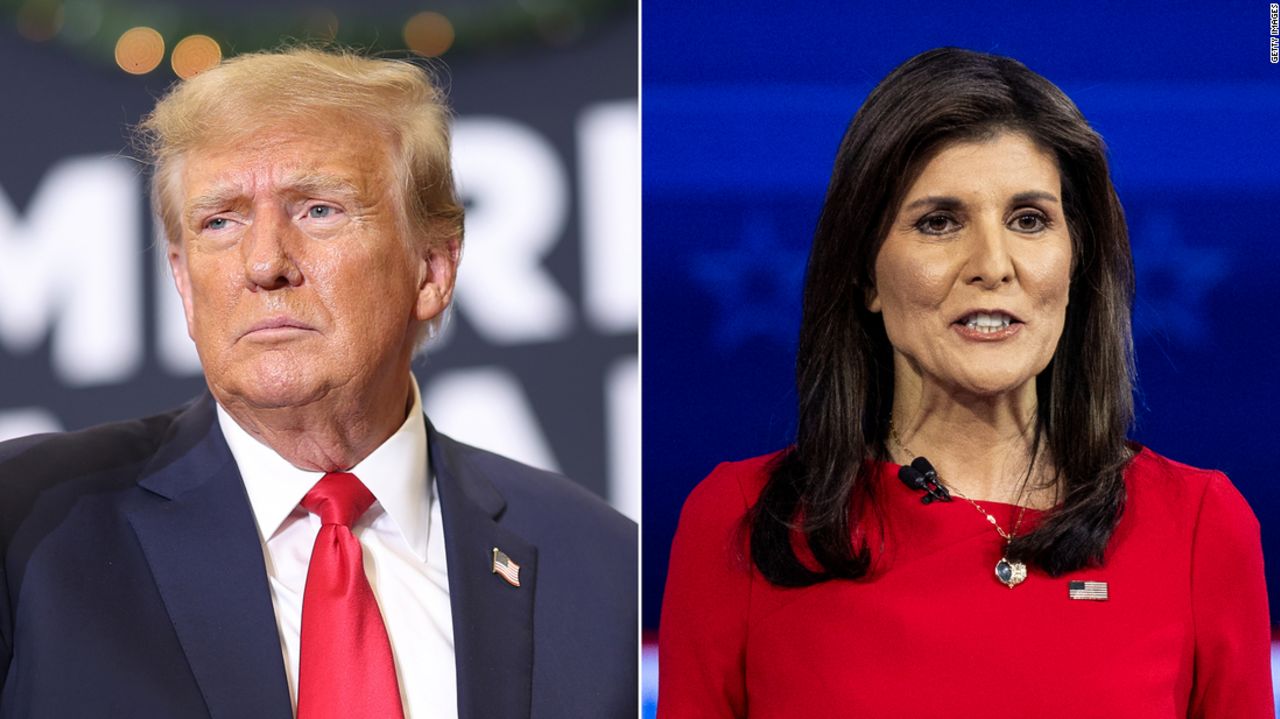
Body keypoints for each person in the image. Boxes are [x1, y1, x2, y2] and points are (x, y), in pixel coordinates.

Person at [0, 47, 636, 718]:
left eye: (318, 210)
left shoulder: (604, 572)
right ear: (184, 284)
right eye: (221, 220)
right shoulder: (29, 530)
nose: (266, 261)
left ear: (433, 269)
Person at [658, 47, 1271, 718]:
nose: (992, 264)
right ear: (864, 273)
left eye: (1029, 220)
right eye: (940, 222)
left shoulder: (1201, 528)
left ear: (1076, 260)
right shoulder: (744, 522)